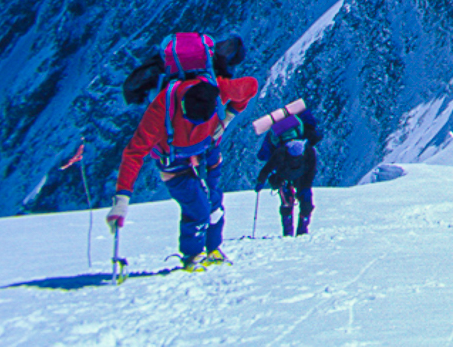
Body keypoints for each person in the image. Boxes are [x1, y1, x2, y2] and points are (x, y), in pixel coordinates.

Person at [106, 33, 257, 270]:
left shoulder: (211, 90)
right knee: (198, 207)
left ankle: (212, 248)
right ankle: (193, 255)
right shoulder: (166, 103)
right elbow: (134, 152)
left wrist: (227, 118)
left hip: (187, 154)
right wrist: (121, 200)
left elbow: (135, 152)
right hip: (183, 158)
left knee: (214, 203)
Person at [254, 105, 320, 236]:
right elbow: (311, 171)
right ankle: (303, 230)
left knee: (286, 201)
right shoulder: (308, 151)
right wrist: (306, 186)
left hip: (283, 173)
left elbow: (267, 166)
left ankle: (288, 232)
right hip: (302, 174)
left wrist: (260, 182)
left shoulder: (280, 152)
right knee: (306, 201)